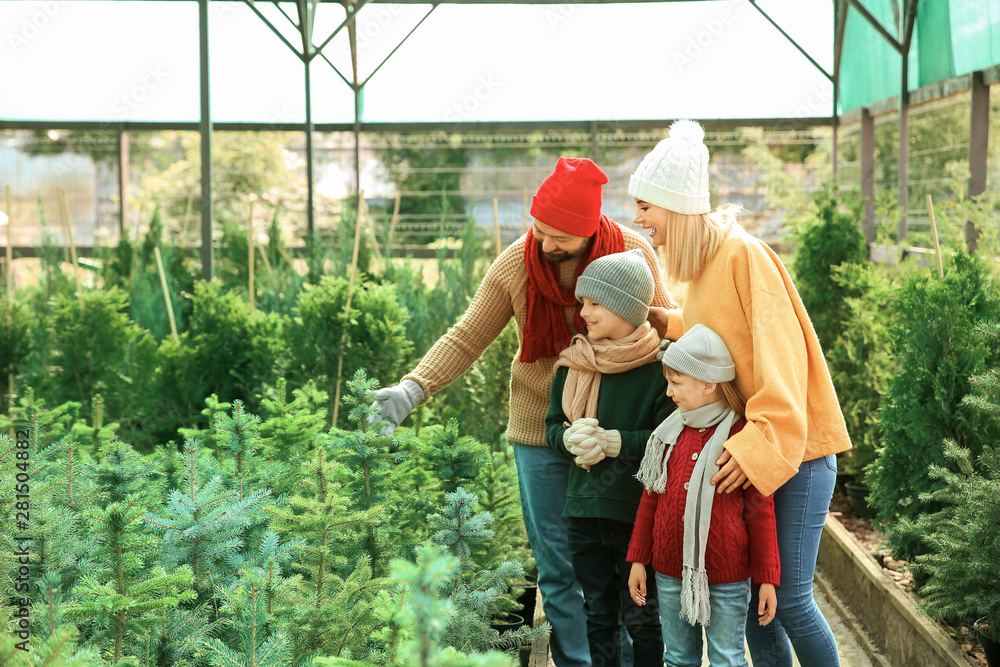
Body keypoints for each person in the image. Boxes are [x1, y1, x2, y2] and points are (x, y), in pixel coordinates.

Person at [372, 156, 676, 667]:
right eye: (539, 229)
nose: (546, 243)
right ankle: (578, 662)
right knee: (558, 562)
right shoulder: (517, 264)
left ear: (590, 230)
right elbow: (469, 335)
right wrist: (413, 387)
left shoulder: (632, 251)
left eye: (561, 237)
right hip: (542, 428)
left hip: (622, 430)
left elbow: (663, 331)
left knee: (626, 560)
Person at [627, 119, 851, 667]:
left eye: (645, 207)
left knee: (792, 602)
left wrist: (750, 452)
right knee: (758, 608)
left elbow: (781, 366)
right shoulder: (705, 266)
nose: (637, 219)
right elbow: (719, 331)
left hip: (795, 455)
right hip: (762, 454)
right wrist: (666, 322)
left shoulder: (743, 256)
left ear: (676, 209)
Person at [544, 249, 673, 667]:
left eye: (595, 303)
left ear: (625, 307)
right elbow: (549, 427)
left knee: (641, 617)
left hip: (636, 518)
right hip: (582, 512)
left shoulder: (659, 370)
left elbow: (669, 440)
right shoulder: (574, 365)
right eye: (584, 302)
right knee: (597, 615)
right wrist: (569, 439)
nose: (584, 313)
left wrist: (618, 442)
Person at [627, 323, 780, 667]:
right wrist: (639, 558)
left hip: (728, 578)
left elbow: (761, 512)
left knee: (727, 659)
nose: (669, 393)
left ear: (709, 383)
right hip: (668, 573)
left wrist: (767, 579)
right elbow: (650, 500)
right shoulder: (667, 435)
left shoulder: (741, 439)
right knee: (679, 658)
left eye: (676, 383)